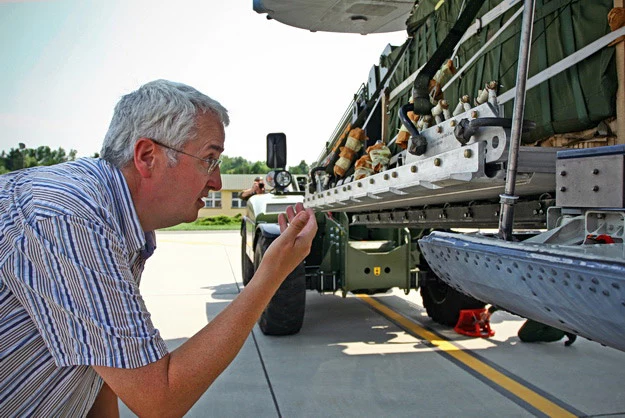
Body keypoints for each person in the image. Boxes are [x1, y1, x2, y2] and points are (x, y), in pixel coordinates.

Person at [0, 79, 317, 417]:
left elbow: (105, 363)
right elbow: (160, 398)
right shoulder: (67, 216)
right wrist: (272, 274)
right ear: (147, 157)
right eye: (209, 159)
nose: (217, 181)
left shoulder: (120, 218)